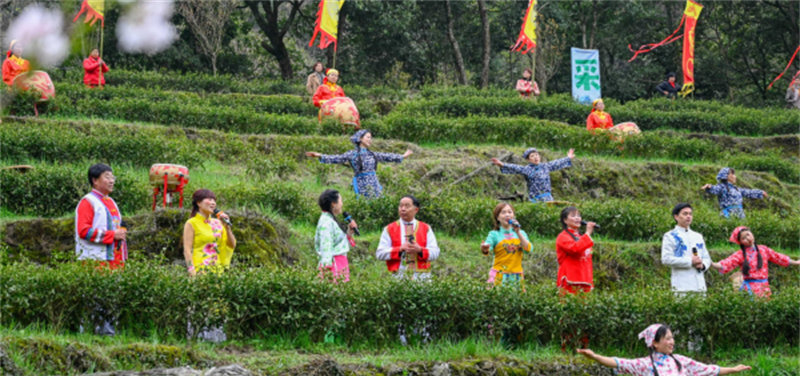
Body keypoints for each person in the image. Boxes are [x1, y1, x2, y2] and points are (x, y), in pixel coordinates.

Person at [75, 163, 128, 336]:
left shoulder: (111, 202)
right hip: (95, 258)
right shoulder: (87, 202)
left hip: (114, 259)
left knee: (111, 298)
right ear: (95, 180)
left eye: (112, 177)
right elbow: (83, 230)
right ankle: (91, 334)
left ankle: (109, 333)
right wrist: (112, 235)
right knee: (95, 298)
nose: (111, 180)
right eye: (107, 177)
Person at [577, 324, 751, 375]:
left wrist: (733, 369)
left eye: (672, 338)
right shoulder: (645, 365)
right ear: (654, 343)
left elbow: (709, 369)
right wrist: (595, 357)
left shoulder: (681, 361)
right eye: (667, 339)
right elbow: (617, 362)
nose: (672, 342)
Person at [306, 129, 413, 198]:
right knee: (363, 202)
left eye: (371, 138)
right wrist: (321, 156)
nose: (370, 140)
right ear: (360, 139)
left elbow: (387, 156)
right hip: (361, 182)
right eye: (368, 137)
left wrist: (402, 156)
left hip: (374, 182)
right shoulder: (352, 154)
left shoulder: (373, 154)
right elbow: (337, 158)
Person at [711, 226, 800, 298]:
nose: (748, 238)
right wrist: (712, 264)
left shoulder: (764, 249)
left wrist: (796, 262)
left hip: (764, 287)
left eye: (748, 235)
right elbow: (728, 262)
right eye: (743, 238)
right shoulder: (741, 254)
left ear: (752, 234)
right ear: (741, 242)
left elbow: (778, 257)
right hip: (749, 288)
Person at [376, 195, 440, 282]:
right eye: (401, 206)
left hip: (422, 277)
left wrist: (420, 250)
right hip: (398, 276)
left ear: (416, 209)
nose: (403, 209)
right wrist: (400, 249)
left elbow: (435, 252)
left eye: (407, 206)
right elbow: (380, 253)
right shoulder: (389, 228)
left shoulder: (426, 228)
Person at [182, 189, 236, 276]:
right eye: (209, 199)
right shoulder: (191, 223)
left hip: (217, 270)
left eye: (214, 200)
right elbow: (187, 250)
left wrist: (227, 228)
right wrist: (192, 271)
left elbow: (231, 245)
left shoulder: (218, 222)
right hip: (200, 269)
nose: (213, 203)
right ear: (198, 203)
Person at [491, 148, 575, 203]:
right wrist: (502, 164)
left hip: (547, 197)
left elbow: (556, 163)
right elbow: (515, 167)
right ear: (528, 159)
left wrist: (568, 158)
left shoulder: (545, 166)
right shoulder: (527, 169)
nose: (536, 157)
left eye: (537, 155)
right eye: (532, 156)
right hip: (535, 198)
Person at [661, 203, 711, 294]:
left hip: (700, 285)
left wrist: (703, 265)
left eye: (690, 214)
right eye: (685, 214)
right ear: (676, 217)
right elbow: (666, 259)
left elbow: (707, 257)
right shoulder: (670, 236)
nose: (688, 216)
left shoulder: (698, 236)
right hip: (682, 287)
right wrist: (690, 261)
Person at [481, 202, 531, 288]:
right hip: (499, 275)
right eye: (503, 212)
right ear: (498, 218)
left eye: (510, 212)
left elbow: (528, 249)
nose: (507, 215)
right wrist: (484, 249)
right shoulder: (494, 234)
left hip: (517, 275)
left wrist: (518, 232)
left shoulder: (521, 233)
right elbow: (487, 248)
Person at [315, 189, 357, 283]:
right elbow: (326, 246)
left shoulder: (330, 220)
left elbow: (338, 243)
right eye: (340, 201)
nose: (342, 204)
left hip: (340, 263)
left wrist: (349, 233)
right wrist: (326, 271)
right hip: (334, 266)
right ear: (333, 204)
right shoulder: (326, 223)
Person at [555, 206, 595, 294]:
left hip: (585, 278)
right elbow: (575, 249)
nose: (577, 218)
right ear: (565, 220)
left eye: (578, 215)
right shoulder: (563, 236)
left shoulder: (581, 237)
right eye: (573, 216)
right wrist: (587, 233)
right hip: (570, 279)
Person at [702, 167, 767, 219]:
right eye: (732, 174)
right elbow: (715, 189)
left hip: (740, 215)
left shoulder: (736, 189)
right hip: (728, 215)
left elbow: (748, 192)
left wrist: (760, 192)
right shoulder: (722, 187)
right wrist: (709, 187)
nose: (735, 176)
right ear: (726, 176)